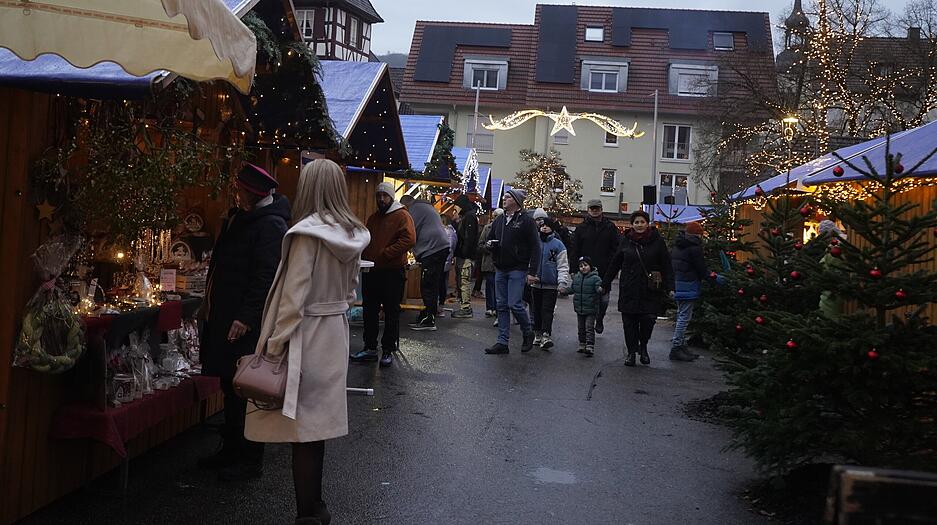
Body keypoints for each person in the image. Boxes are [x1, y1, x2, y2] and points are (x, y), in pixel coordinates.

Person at [244, 159, 369, 525]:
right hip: (333, 334)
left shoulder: (306, 235)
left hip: (305, 337)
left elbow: (292, 299)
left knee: (302, 432)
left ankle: (308, 514)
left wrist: (274, 346)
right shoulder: (352, 234)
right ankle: (316, 507)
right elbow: (349, 291)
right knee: (317, 431)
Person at [199, 163, 289, 481]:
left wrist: (246, 317)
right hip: (225, 314)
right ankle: (231, 449)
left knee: (246, 388)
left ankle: (250, 460)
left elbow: (265, 277)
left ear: (253, 193)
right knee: (229, 384)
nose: (236, 193)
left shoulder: (270, 226)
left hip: (243, 321)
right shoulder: (241, 218)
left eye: (240, 190)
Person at [353, 182, 415, 367]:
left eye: (384, 196)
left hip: (392, 271)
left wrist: (386, 253)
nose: (381, 199)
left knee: (391, 311)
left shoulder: (402, 215)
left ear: (391, 197)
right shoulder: (373, 218)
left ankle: (387, 348)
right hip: (372, 270)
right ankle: (370, 347)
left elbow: (409, 239)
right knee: (369, 310)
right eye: (378, 195)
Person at [603, 210, 674, 367]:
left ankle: (643, 346)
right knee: (629, 323)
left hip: (650, 289)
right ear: (632, 224)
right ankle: (631, 352)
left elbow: (666, 265)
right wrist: (605, 283)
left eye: (642, 222)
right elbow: (615, 263)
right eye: (636, 222)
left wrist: (670, 286)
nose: (639, 225)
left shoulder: (657, 241)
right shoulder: (626, 241)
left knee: (648, 321)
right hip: (629, 287)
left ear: (647, 223)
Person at [484, 188, 540, 355]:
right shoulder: (500, 220)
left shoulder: (526, 221)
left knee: (514, 303)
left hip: (517, 268)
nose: (503, 199)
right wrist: (489, 245)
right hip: (500, 267)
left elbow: (536, 247)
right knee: (501, 305)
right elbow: (489, 238)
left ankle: (527, 330)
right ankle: (502, 342)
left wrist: (532, 271)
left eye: (507, 197)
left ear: (516, 201)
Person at [400, 194, 450, 331]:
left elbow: (408, 233)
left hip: (432, 249)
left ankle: (429, 319)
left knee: (427, 284)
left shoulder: (414, 210)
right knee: (432, 283)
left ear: (405, 205)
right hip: (440, 247)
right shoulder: (426, 207)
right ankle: (427, 315)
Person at [570, 199, 621, 334]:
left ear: (601, 209)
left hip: (604, 270)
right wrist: (574, 269)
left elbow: (616, 248)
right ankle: (586, 327)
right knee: (587, 299)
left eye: (597, 208)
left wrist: (613, 266)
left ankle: (599, 318)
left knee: (604, 300)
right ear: (588, 210)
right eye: (592, 208)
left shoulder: (610, 227)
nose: (594, 210)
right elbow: (574, 249)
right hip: (585, 269)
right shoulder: (581, 228)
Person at [530, 211, 570, 350]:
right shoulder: (535, 243)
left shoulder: (558, 245)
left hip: (550, 285)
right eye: (543, 226)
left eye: (548, 226)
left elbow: (563, 265)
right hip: (536, 283)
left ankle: (546, 333)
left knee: (547, 310)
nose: (545, 228)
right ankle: (537, 333)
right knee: (536, 309)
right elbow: (529, 260)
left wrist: (562, 282)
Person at [670, 221, 707, 362]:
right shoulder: (694, 248)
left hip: (678, 284)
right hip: (689, 285)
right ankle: (677, 346)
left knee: (681, 314)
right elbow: (701, 269)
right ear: (698, 234)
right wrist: (714, 278)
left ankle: (681, 345)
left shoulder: (678, 245)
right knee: (684, 317)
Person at [565, 256, 603, 357]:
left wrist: (600, 289)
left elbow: (598, 288)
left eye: (585, 265)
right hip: (579, 308)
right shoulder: (577, 278)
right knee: (581, 327)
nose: (583, 267)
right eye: (581, 266)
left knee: (589, 327)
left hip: (591, 308)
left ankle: (590, 345)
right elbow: (573, 289)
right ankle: (582, 343)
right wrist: (565, 291)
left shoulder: (595, 278)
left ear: (590, 266)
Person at [452, 195, 480, 318]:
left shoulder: (469, 217)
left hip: (466, 257)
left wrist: (463, 252)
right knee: (462, 281)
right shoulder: (468, 216)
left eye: (456, 206)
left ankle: (466, 308)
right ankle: (464, 306)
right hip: (464, 255)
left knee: (464, 281)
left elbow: (468, 238)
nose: (455, 208)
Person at [477, 208, 503, 318]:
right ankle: (490, 307)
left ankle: (497, 308)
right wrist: (488, 248)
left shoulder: (504, 229)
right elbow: (480, 244)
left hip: (500, 262)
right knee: (490, 284)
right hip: (488, 261)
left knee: (498, 286)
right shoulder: (487, 228)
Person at [818, 220, 846, 318]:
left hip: (833, 288)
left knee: (828, 313)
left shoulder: (836, 249)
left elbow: (829, 264)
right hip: (836, 287)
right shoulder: (840, 244)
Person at [440, 214, 458, 311]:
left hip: (444, 261)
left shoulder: (448, 232)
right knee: (442, 283)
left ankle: (440, 305)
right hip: (445, 260)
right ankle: (440, 304)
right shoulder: (450, 231)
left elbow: (449, 247)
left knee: (441, 283)